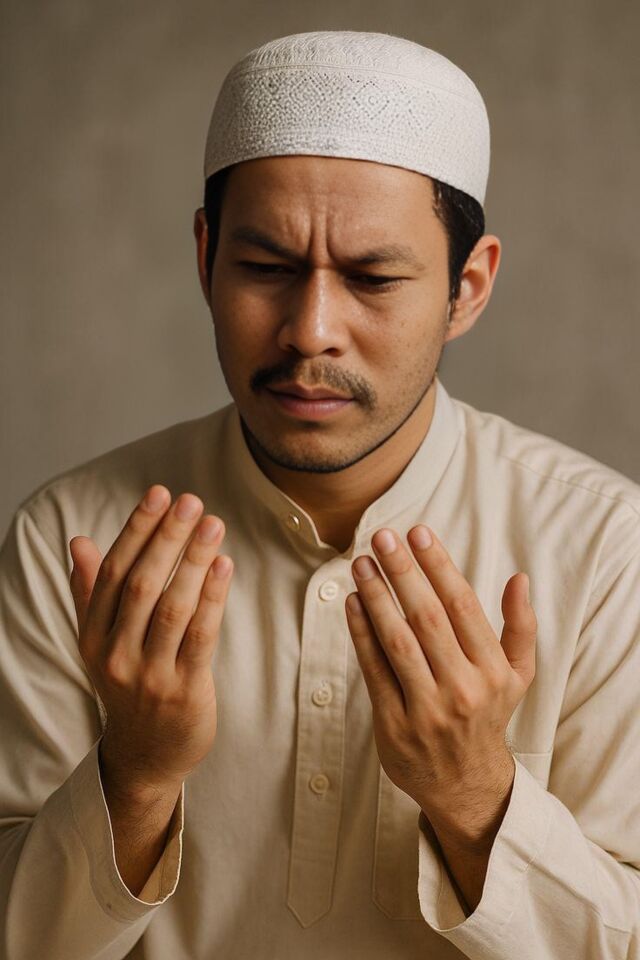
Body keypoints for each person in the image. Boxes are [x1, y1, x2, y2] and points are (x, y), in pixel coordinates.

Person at [0, 28, 638, 960]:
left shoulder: (606, 549)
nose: (310, 331)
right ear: (205, 257)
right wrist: (132, 775)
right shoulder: (73, 538)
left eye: (374, 279)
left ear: (467, 288)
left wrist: (474, 791)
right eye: (266, 269)